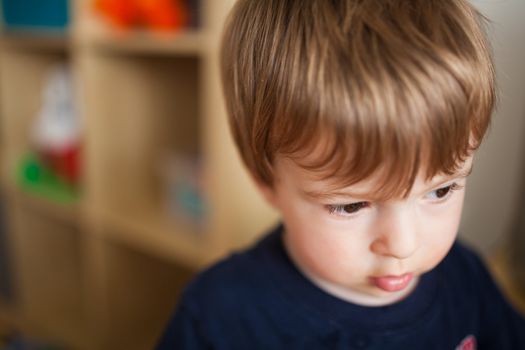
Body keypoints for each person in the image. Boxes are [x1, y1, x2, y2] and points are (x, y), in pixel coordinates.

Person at [157, 0, 525, 348]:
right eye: (351, 206)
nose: (402, 245)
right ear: (264, 179)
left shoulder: (465, 276)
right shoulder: (219, 318)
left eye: (441, 191)